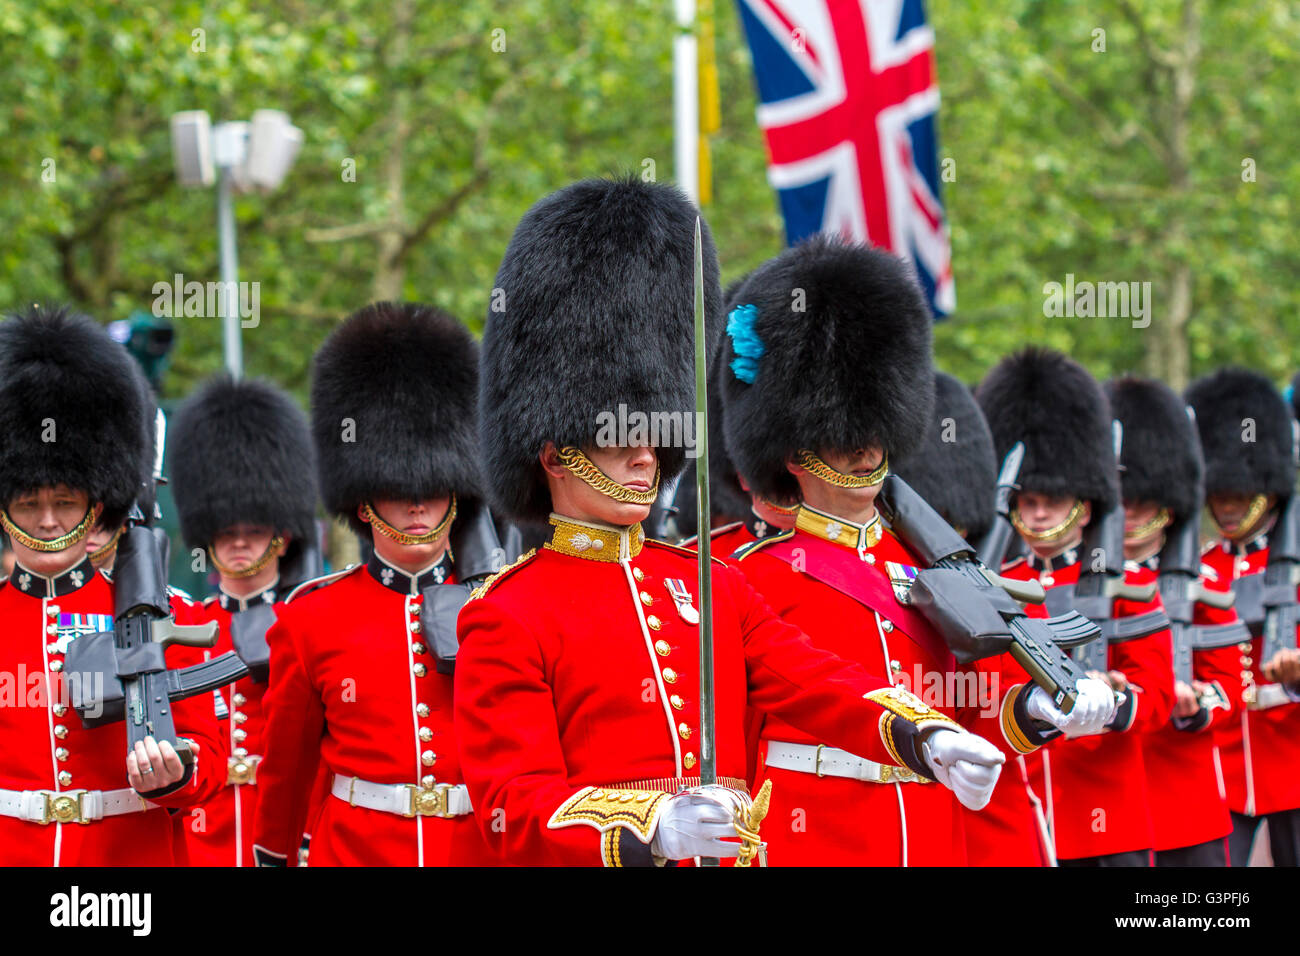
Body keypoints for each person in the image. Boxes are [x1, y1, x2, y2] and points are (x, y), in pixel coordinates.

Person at [454, 176, 1013, 867]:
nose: (643, 454)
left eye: (654, 434)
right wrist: (648, 826)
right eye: (614, 437)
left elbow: (812, 680)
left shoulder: (709, 584)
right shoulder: (508, 613)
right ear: (554, 452)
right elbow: (511, 803)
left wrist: (923, 736)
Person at [717, 240, 1110, 865]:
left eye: (872, 428)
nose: (864, 447)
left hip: (931, 833)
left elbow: (974, 699)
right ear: (794, 452)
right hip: (813, 837)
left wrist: (1039, 706)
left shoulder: (928, 560)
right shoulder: (750, 576)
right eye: (841, 436)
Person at [254, 302, 495, 866]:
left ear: (457, 493)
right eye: (396, 491)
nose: (416, 505)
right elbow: (287, 768)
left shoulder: (502, 604)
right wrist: (273, 853)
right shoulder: (312, 618)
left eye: (433, 489)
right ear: (363, 501)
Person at [0, 304, 225, 865]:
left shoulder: (165, 613)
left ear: (96, 504)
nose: (48, 521)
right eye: (29, 504)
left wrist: (178, 772)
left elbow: (212, 759)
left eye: (65, 502)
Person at [979, 347, 1175, 867]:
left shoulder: (1127, 585)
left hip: (1104, 814)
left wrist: (1115, 700)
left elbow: (1156, 692)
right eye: (1029, 501)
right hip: (1020, 812)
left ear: (1084, 506)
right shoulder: (996, 584)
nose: (1039, 513)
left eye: (1054, 500)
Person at [892, 370, 1055, 866]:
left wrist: (1040, 708)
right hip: (908, 823)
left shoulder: (1005, 590)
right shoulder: (878, 581)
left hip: (992, 826)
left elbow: (998, 718)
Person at [168, 373, 320, 866]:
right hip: (202, 833)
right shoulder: (185, 622)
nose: (237, 544)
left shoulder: (307, 618)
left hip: (279, 829)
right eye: (225, 530)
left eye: (254, 530)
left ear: (281, 535)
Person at [1105, 375, 1237, 866]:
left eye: (1144, 499)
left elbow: (1229, 682)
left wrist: (1199, 703)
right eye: (1123, 497)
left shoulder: (1204, 581)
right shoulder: (1085, 581)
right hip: (1107, 793)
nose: (1132, 510)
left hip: (1184, 791)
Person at [1187, 368, 1300, 867]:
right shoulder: (1200, 569)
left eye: (1240, 493)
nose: (1228, 506)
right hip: (1222, 767)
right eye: (1220, 493)